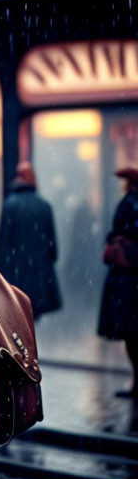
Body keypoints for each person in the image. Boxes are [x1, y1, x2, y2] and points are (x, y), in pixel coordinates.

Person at [0, 161, 62, 320]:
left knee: (19, 317)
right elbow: (53, 249)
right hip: (39, 274)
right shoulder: (44, 206)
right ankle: (33, 343)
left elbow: (3, 246)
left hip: (17, 275)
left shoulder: (10, 206)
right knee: (33, 316)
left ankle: (23, 344)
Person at [98, 167, 138, 397]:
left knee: (132, 334)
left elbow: (122, 230)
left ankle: (136, 384)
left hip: (128, 279)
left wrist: (115, 238)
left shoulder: (130, 202)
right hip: (131, 279)